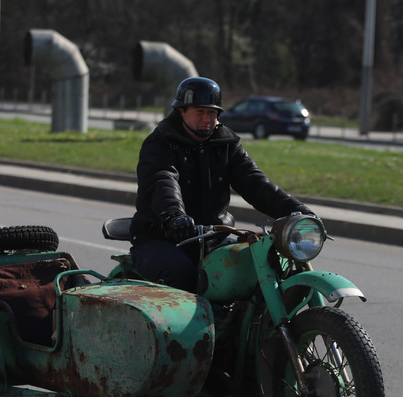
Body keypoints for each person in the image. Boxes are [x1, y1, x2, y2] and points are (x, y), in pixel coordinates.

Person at [129, 77, 314, 293]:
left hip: (212, 237)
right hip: (161, 239)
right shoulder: (159, 144)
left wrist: (298, 211)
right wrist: (174, 217)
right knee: (182, 274)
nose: (207, 119)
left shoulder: (226, 144)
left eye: (212, 113)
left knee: (265, 266)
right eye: (200, 112)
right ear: (181, 111)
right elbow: (163, 182)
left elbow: (255, 182)